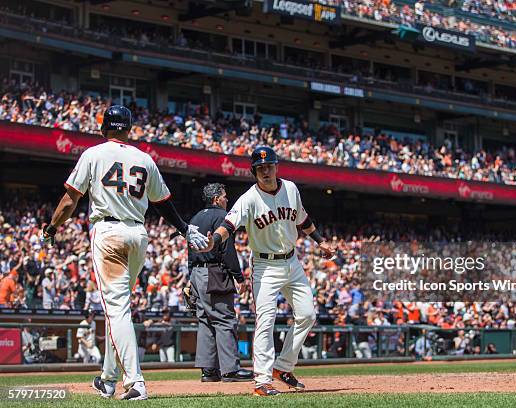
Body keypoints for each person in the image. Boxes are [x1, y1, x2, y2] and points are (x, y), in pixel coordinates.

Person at [40, 105, 209, 400]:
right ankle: (107, 379)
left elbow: (70, 199)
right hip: (138, 235)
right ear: (128, 129)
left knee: (116, 309)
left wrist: (52, 228)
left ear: (105, 127)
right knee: (115, 309)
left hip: (109, 234)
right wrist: (184, 229)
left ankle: (135, 382)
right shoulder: (144, 158)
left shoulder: (93, 154)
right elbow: (163, 202)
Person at [201, 146, 334, 396]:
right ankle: (262, 380)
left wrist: (320, 241)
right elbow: (228, 225)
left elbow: (302, 219)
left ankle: (282, 367)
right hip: (265, 265)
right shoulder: (249, 198)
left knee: (307, 315)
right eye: (260, 168)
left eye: (269, 166)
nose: (265, 171)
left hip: (292, 262)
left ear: (276, 167)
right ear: (254, 172)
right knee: (266, 320)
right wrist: (214, 241)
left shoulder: (291, 189)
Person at [188, 183, 253, 382]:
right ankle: (230, 370)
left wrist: (190, 279)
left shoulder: (195, 217)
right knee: (224, 319)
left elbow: (190, 251)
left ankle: (209, 371)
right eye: (225, 196)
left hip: (196, 273)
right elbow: (227, 251)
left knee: (206, 321)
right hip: (214, 271)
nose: (227, 200)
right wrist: (239, 277)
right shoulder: (221, 218)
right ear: (217, 199)